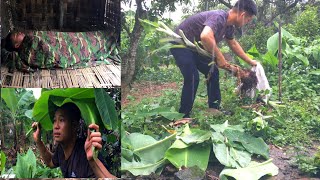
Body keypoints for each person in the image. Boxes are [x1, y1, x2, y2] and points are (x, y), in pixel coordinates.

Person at [170, 0, 258, 118]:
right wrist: (220, 57)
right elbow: (206, 36)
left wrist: (250, 61)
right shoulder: (219, 16)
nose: (247, 22)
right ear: (242, 15)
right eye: (248, 20)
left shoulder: (229, 26)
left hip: (195, 48)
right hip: (180, 45)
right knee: (192, 77)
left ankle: (214, 109)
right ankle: (183, 116)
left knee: (213, 72)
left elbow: (233, 44)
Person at [32, 103, 116, 178]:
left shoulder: (85, 152)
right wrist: (38, 141)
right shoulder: (61, 149)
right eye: (54, 121)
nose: (56, 126)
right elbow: (50, 162)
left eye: (61, 120)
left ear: (74, 125)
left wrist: (92, 160)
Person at [2, 30, 119, 72]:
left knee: (84, 37)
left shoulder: (29, 38)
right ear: (17, 45)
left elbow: (50, 36)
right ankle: (108, 39)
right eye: (16, 35)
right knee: (90, 44)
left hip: (67, 39)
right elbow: (48, 54)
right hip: (64, 52)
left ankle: (107, 36)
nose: (19, 32)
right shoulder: (27, 52)